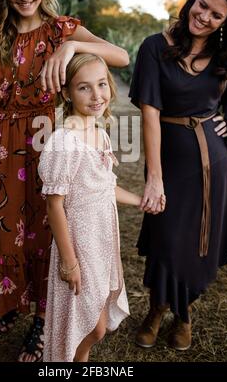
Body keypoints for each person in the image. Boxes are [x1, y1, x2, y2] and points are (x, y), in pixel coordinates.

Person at [0, 0, 129, 362]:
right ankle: (12, 301)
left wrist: (71, 48)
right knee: (10, 232)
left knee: (47, 232)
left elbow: (120, 54)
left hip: (48, 138)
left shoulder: (61, 28)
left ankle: (45, 322)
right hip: (6, 145)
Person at [129, 0, 227, 351]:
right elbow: (150, 116)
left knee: (199, 242)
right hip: (171, 163)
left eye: (216, 15)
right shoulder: (154, 47)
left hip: (217, 166)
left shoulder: (226, 55)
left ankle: (183, 315)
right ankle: (157, 308)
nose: (204, 17)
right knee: (166, 237)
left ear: (226, 21)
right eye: (202, 5)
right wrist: (154, 177)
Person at [38, 53, 148, 362]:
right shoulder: (63, 143)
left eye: (101, 84)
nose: (96, 94)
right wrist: (69, 262)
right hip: (78, 246)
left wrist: (141, 201)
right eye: (84, 87)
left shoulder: (98, 134)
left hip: (101, 241)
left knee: (95, 322)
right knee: (89, 326)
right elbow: (54, 207)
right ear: (67, 93)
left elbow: (105, 186)